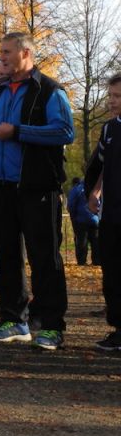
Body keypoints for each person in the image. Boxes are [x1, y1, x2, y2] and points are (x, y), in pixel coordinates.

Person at [0, 31, 74, 351]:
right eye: (0, 51)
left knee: (44, 257)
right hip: (1, 188)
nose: (1, 57)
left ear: (26, 53)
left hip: (38, 187)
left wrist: (17, 131)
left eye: (7, 51)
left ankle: (50, 326)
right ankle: (14, 320)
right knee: (6, 256)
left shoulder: (50, 91)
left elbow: (65, 131)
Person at [85, 73, 121, 350]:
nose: (112, 101)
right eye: (110, 96)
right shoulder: (109, 130)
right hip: (111, 216)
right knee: (111, 274)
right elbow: (98, 165)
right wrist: (92, 193)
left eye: (118, 97)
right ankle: (118, 330)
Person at [67, 177, 99, 266]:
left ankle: (82, 261)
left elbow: (71, 204)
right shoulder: (95, 187)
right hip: (95, 219)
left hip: (81, 219)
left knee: (82, 241)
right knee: (95, 241)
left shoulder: (77, 189)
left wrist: (73, 216)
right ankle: (97, 261)